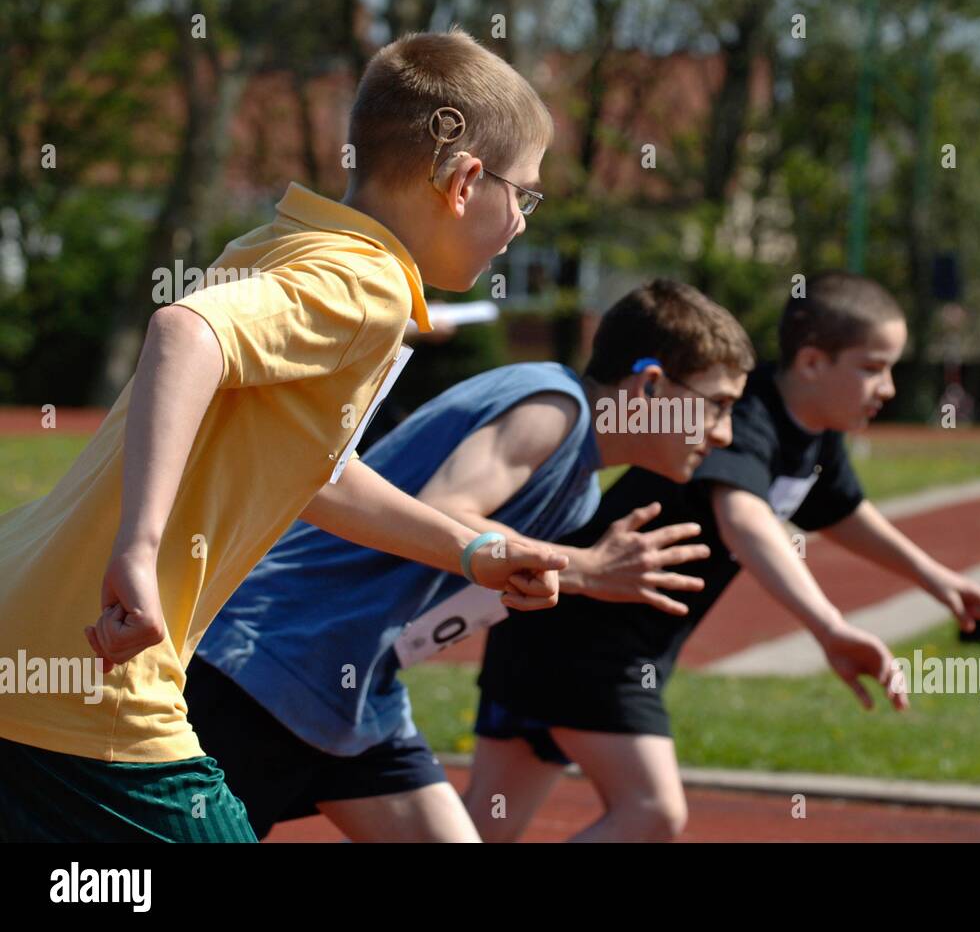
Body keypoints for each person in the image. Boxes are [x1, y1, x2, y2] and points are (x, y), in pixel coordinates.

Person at [0, 29, 564, 842]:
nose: (520, 223)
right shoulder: (364, 283)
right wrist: (138, 547)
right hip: (100, 682)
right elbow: (185, 332)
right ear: (467, 179)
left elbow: (320, 474)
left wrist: (471, 553)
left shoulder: (282, 244)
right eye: (524, 194)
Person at [185, 279, 755, 841]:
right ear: (651, 386)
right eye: (719, 405)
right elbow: (448, 511)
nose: (726, 434)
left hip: (355, 693)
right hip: (266, 664)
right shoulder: (552, 407)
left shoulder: (580, 486)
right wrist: (585, 570)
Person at [465, 271, 980, 842]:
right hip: (589, 642)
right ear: (814, 363)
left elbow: (842, 510)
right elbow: (744, 517)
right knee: (652, 813)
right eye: (873, 367)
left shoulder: (811, 434)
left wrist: (936, 579)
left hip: (559, 629)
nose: (888, 388)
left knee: (483, 828)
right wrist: (829, 627)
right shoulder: (744, 414)